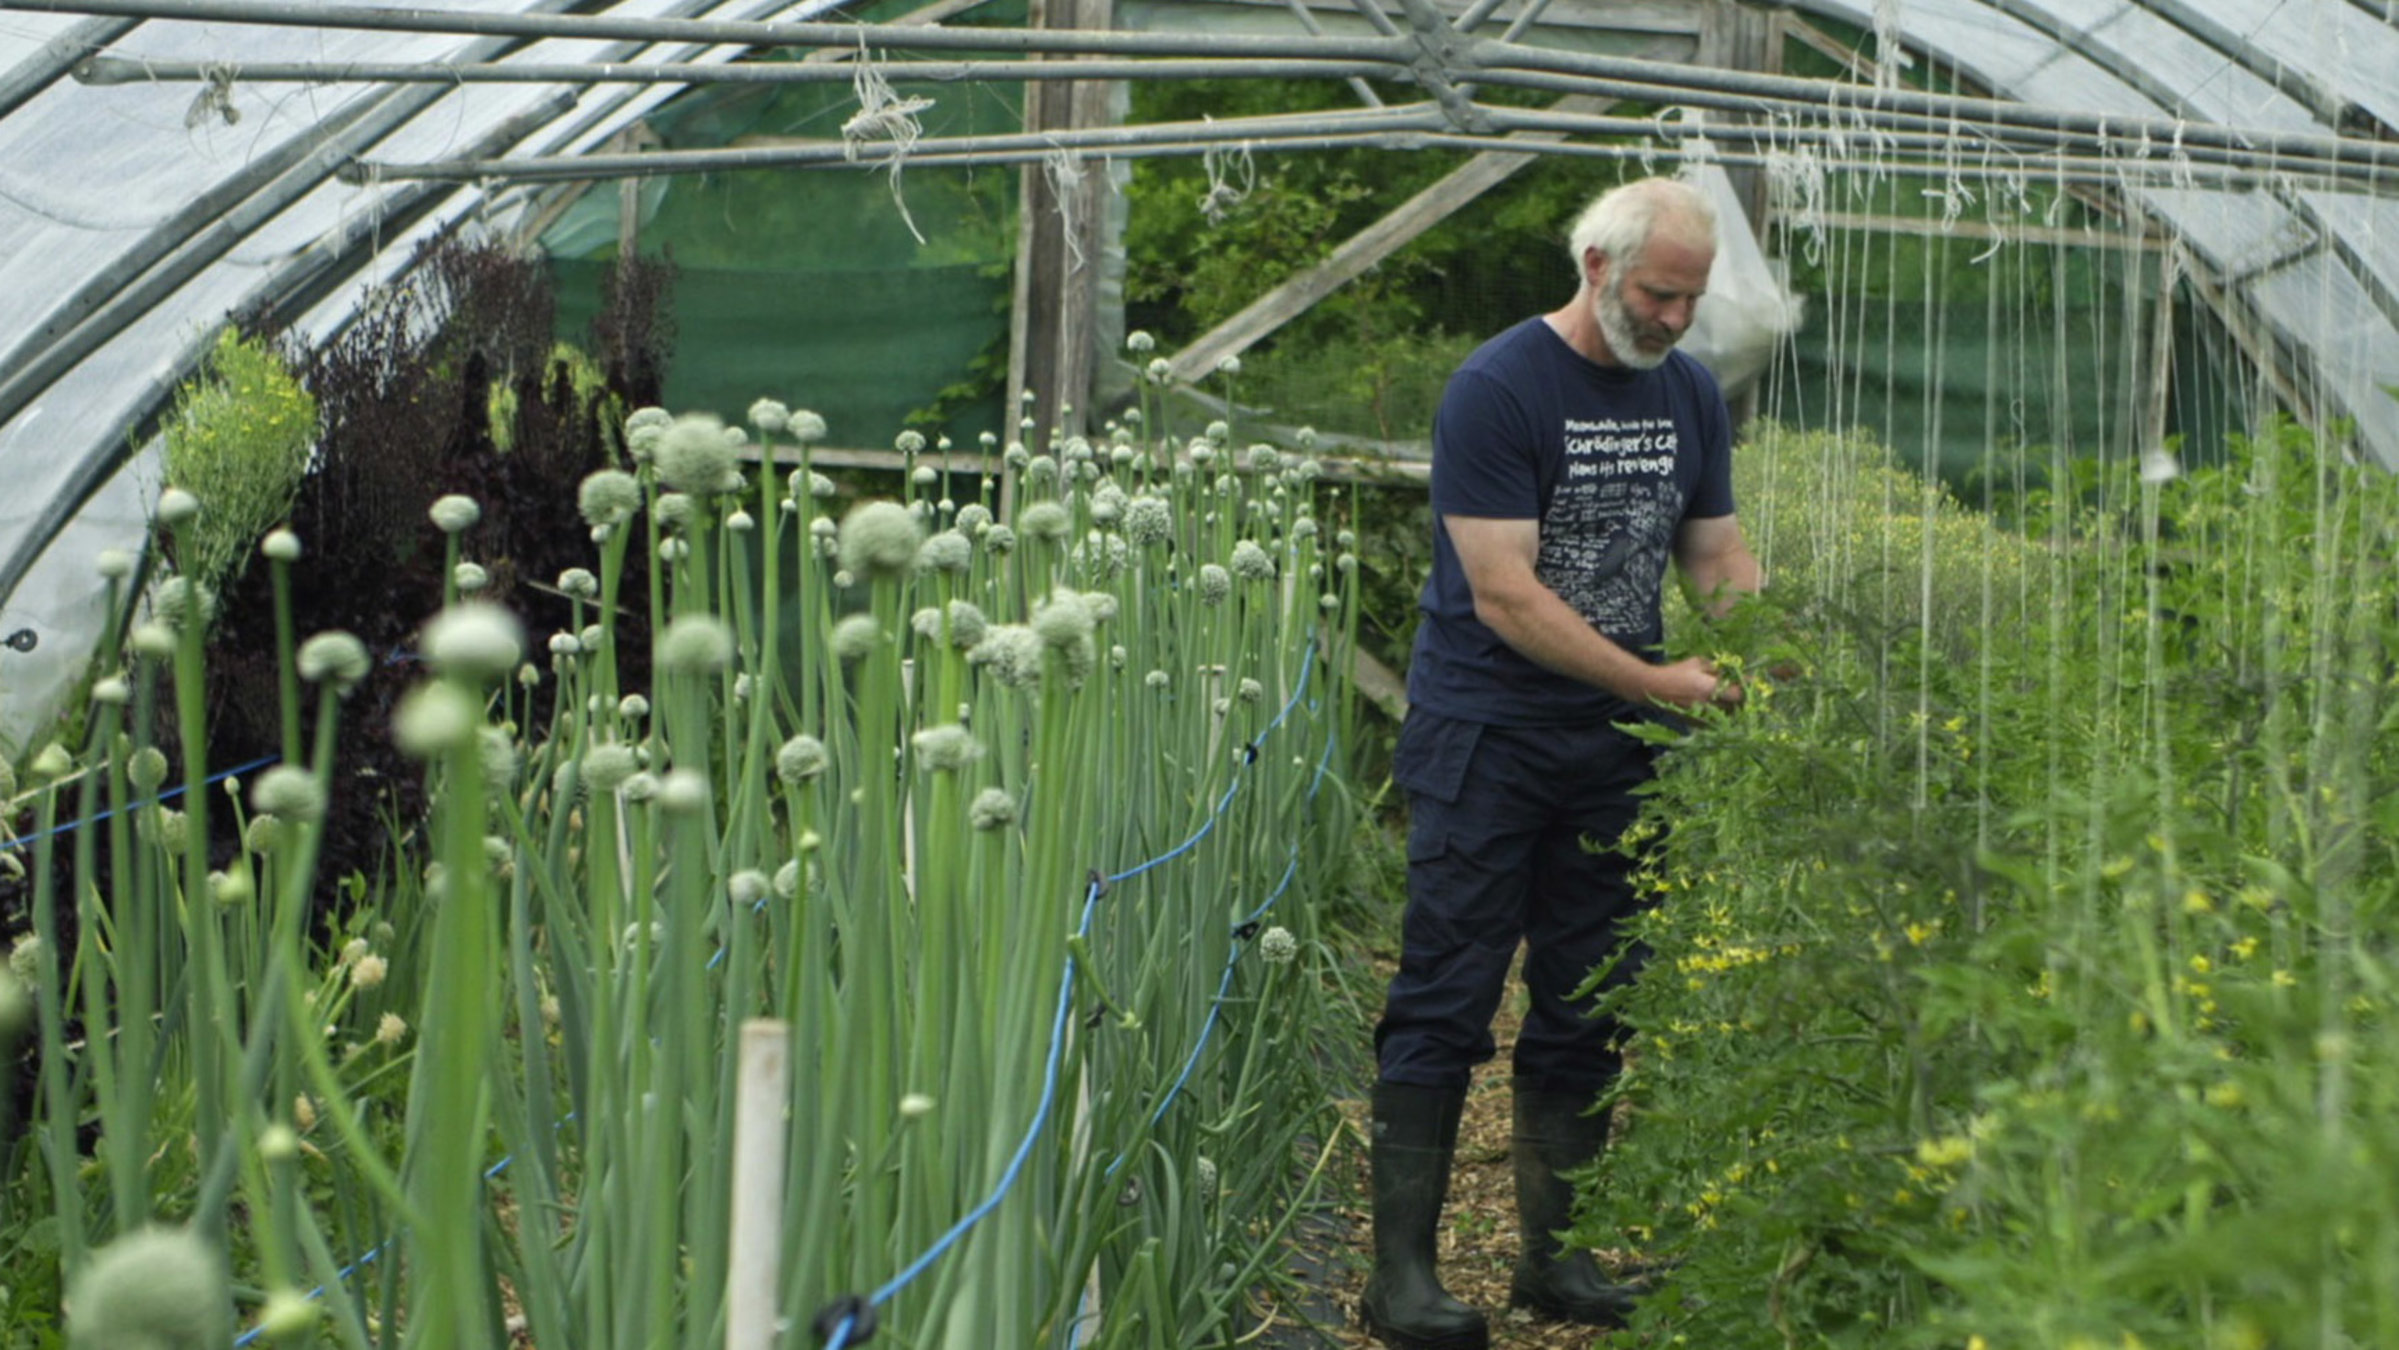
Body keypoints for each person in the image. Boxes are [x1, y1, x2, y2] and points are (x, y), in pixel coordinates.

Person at [1360, 175, 1763, 1350]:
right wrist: (1658, 684)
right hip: (1486, 733)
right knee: (1444, 996)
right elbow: (1502, 596)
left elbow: (1714, 551)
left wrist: (1763, 654)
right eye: (1657, 294)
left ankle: (1554, 1259)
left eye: (1692, 299)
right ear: (1595, 266)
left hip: (1613, 750)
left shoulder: (1685, 391)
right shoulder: (1498, 388)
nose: (1677, 319)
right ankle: (1401, 1282)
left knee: (1587, 997)